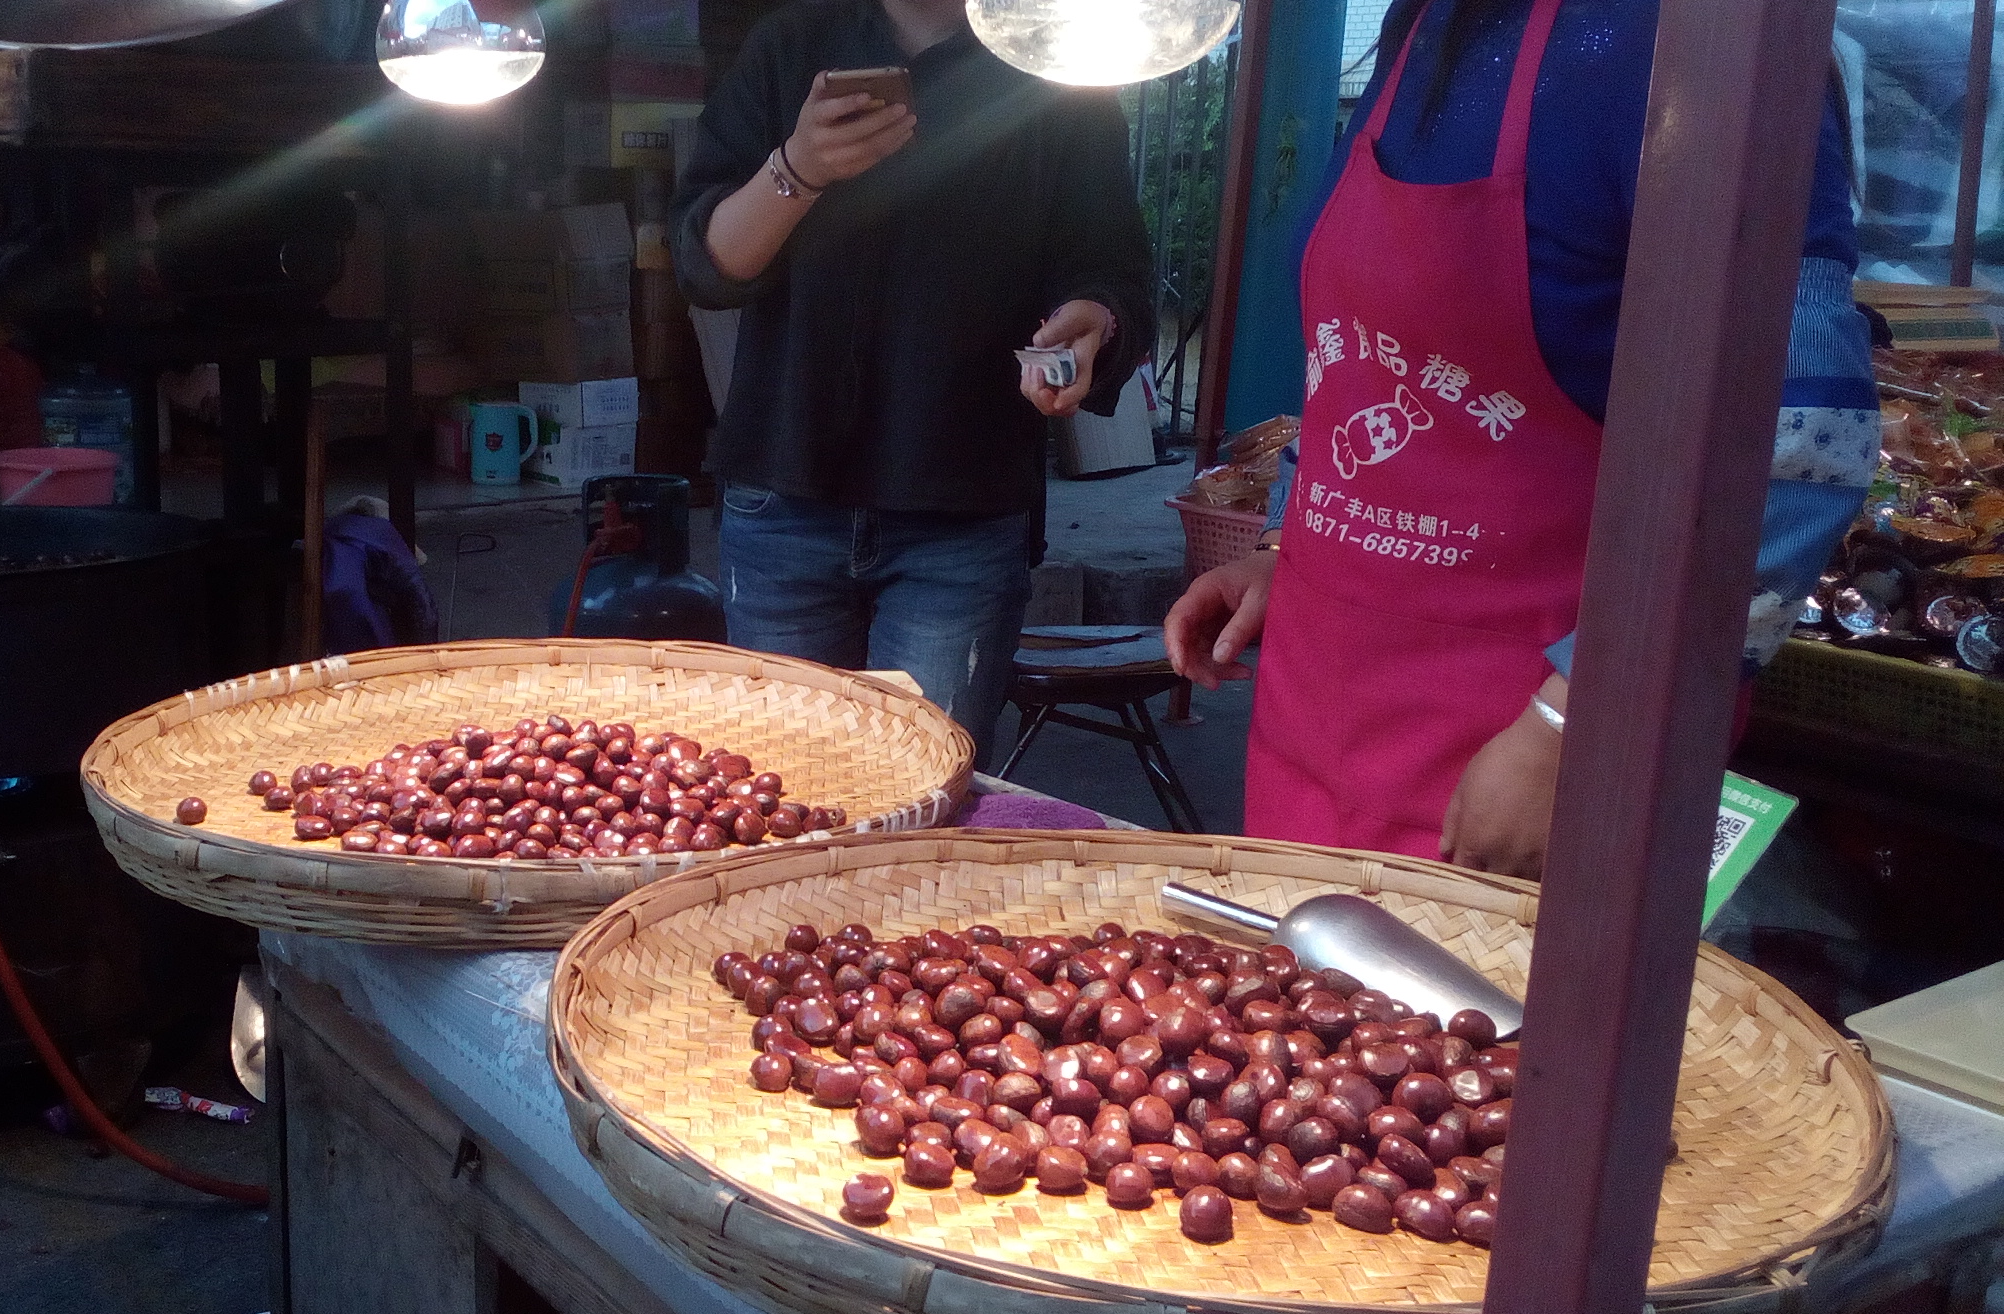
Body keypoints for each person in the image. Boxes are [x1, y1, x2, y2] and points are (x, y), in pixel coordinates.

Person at [1163, 0, 1876, 877]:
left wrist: (1576, 725)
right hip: (1314, 719)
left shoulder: (1686, 41)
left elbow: (1798, 450)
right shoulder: (1423, 25)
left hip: (1520, 758)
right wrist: (1286, 544)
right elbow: (1368, 360)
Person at [672, 0, 1155, 759]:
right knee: (777, 788)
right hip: (786, 490)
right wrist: (799, 168)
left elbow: (1113, 267)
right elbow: (708, 264)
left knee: (925, 801)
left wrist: (1092, 321)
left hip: (961, 502)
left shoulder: (1057, 69)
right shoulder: (792, 45)